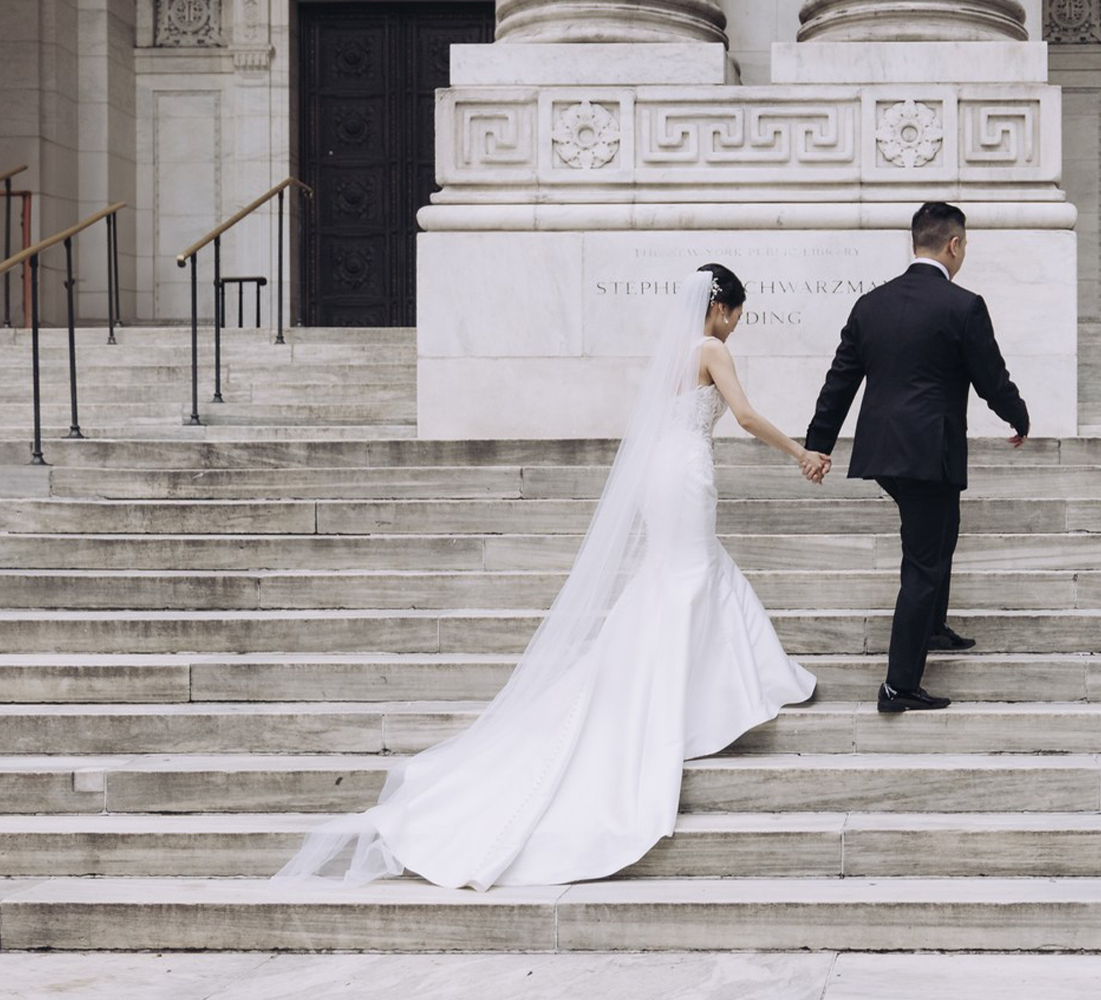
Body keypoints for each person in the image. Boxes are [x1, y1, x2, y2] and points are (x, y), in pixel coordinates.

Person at [274, 263, 825, 891]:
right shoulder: (708, 348)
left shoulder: (673, 352)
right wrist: (800, 451)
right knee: (691, 571)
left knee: (681, 572)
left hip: (659, 474)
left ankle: (710, 684)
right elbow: (747, 417)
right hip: (687, 472)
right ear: (720, 307)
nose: (735, 328)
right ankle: (707, 692)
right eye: (736, 316)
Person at [804, 201, 1032, 714]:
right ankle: (898, 684)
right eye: (965, 244)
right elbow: (990, 376)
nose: (964, 252)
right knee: (924, 560)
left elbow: (840, 379)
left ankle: (932, 627)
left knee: (940, 533)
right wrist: (1017, 416)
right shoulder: (964, 305)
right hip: (929, 450)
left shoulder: (871, 304)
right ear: (954, 245)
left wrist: (820, 442)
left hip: (885, 450)